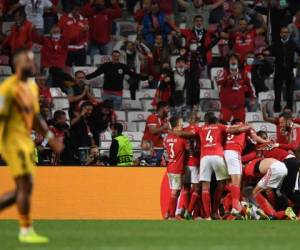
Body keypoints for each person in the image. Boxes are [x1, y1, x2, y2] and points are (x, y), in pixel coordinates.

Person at [0, 48, 63, 243]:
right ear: (18, 64)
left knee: (25, 188)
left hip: (25, 140)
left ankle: (26, 229)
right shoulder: (8, 88)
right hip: (11, 140)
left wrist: (50, 137)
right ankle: (26, 231)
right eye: (29, 61)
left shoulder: (32, 87)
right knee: (25, 184)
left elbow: (35, 117)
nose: (34, 64)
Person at [197, 112, 250, 219]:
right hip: (217, 155)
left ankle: (207, 216)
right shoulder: (219, 126)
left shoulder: (200, 128)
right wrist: (247, 126)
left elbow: (187, 135)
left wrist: (170, 130)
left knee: (205, 188)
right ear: (216, 121)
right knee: (222, 183)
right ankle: (217, 211)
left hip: (204, 157)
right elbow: (236, 130)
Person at [224, 119, 268, 215]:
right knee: (236, 183)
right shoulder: (244, 128)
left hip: (223, 154)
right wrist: (267, 142)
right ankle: (236, 208)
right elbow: (255, 138)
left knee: (230, 184)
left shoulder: (228, 128)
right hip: (234, 154)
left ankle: (231, 208)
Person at [263, 27, 300, 112]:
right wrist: (266, 53)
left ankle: (289, 111)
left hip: (289, 71)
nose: (284, 34)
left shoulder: (292, 43)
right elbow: (266, 51)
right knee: (277, 94)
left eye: (286, 32)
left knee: (289, 94)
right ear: (280, 34)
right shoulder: (276, 44)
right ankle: (277, 111)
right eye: (283, 32)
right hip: (279, 72)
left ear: (288, 34)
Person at [217, 54, 255, 122]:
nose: (233, 60)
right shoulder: (224, 71)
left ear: (238, 62)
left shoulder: (244, 73)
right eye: (231, 59)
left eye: (235, 59)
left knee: (240, 126)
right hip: (226, 107)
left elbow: (250, 86)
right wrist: (228, 77)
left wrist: (252, 98)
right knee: (223, 125)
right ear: (228, 62)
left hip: (239, 107)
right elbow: (219, 82)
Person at [164, 116, 187, 219]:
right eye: (181, 124)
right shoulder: (181, 138)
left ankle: (168, 213)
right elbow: (187, 149)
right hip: (177, 168)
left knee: (175, 191)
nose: (182, 125)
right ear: (176, 126)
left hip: (170, 167)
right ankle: (172, 215)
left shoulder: (167, 138)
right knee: (175, 192)